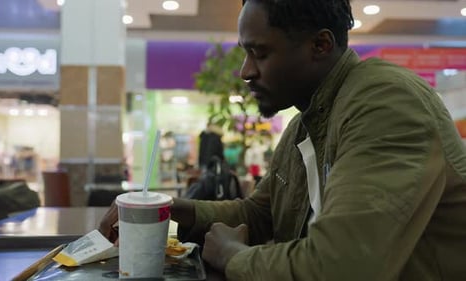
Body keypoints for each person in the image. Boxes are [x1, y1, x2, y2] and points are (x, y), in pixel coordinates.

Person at [100, 0, 466, 280]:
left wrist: (232, 257)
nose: (246, 71)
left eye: (260, 53)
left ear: (320, 45)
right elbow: (261, 213)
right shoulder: (305, 122)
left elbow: (343, 266)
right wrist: (177, 209)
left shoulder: (385, 102)